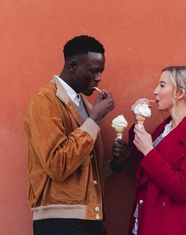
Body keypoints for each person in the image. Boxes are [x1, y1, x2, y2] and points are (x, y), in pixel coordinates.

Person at [24, 35, 125, 235]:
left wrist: (114, 166)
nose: (99, 78)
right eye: (94, 71)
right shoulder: (44, 101)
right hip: (58, 221)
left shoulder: (83, 105)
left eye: (101, 71)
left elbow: (82, 170)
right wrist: (94, 119)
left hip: (88, 218)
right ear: (72, 66)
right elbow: (57, 165)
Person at [112, 66, 186, 235]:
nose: (155, 91)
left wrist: (149, 151)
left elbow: (184, 191)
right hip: (144, 219)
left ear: (180, 93)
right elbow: (140, 172)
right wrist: (138, 126)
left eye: (162, 85)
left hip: (168, 225)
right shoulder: (165, 128)